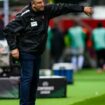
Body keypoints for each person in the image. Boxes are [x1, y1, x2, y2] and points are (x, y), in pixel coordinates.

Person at [3, 0, 93, 105]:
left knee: (34, 80)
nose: (42, 5)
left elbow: (63, 7)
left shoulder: (46, 10)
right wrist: (13, 48)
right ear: (33, 4)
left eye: (43, 2)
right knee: (27, 79)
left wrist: (82, 9)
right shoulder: (24, 16)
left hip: (37, 52)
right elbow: (8, 29)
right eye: (39, 3)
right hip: (26, 51)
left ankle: (31, 103)